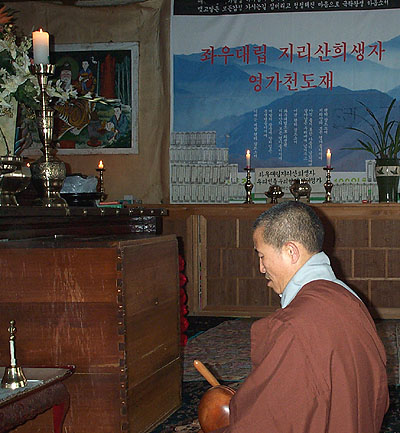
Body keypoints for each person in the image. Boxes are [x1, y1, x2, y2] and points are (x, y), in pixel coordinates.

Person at [207, 201, 389, 433]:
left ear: (291, 251)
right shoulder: (350, 298)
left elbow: (268, 420)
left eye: (262, 256)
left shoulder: (294, 326)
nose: (261, 268)